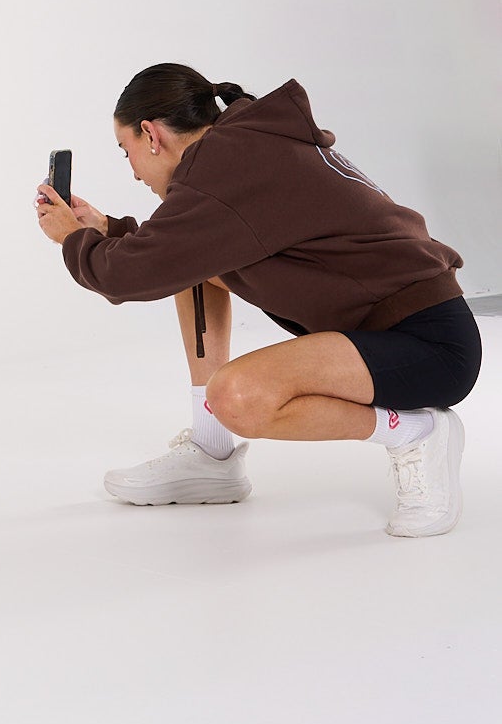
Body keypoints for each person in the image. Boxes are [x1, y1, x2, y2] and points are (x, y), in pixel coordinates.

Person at [35, 64, 481, 537]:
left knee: (237, 397)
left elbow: (125, 277)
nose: (132, 170)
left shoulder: (228, 167)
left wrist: (71, 240)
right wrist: (105, 230)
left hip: (428, 347)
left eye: (125, 151)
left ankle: (418, 433)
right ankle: (212, 456)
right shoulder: (238, 151)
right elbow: (172, 251)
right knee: (195, 264)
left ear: (151, 134)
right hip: (378, 332)